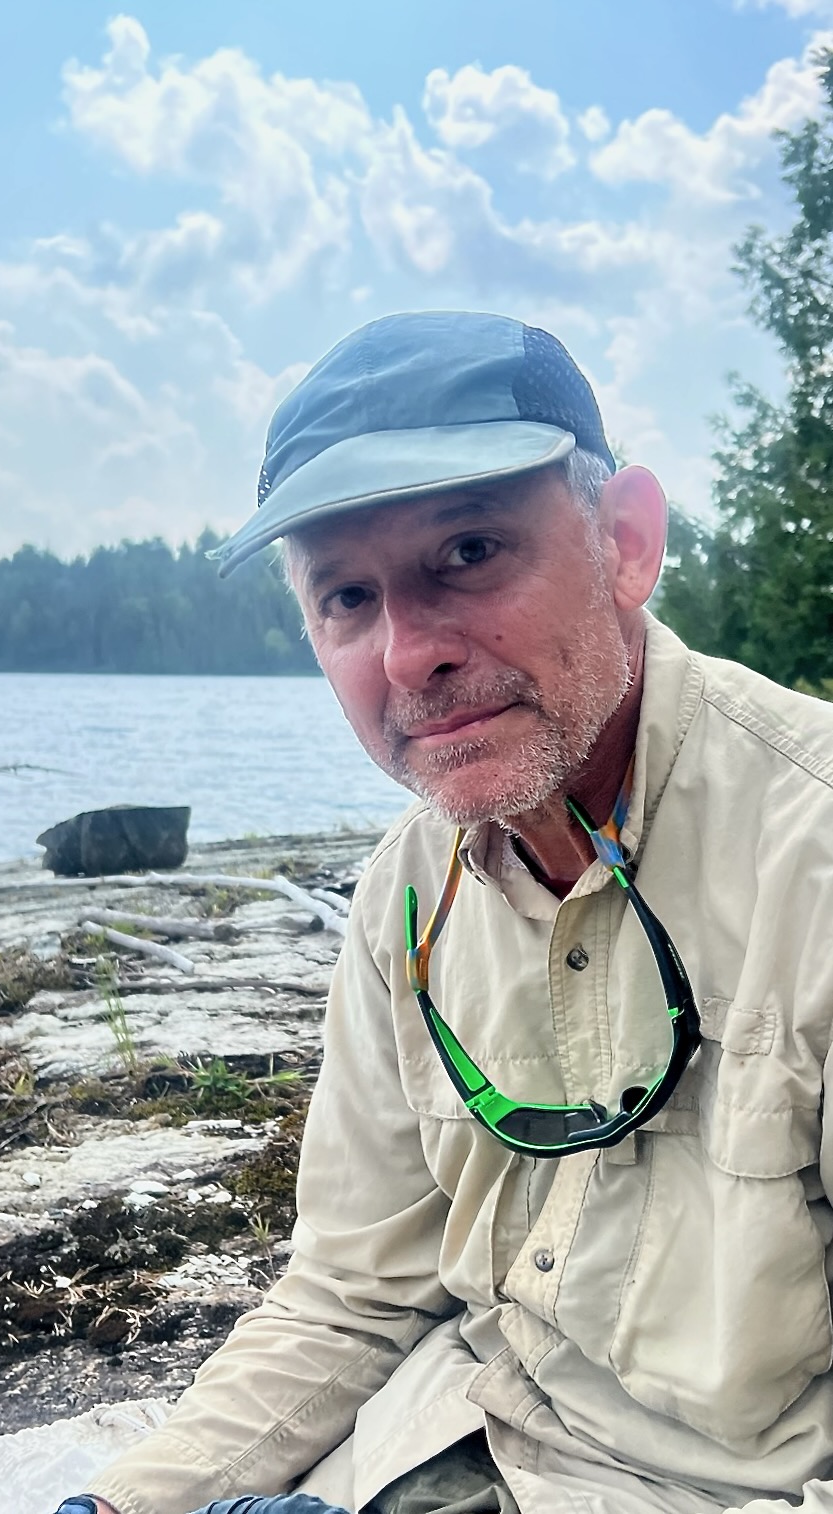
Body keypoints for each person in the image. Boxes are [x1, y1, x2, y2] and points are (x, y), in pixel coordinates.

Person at [51, 312, 833, 1514]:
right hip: (438, 1442)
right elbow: (349, 1292)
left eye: (467, 550)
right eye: (346, 596)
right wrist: (114, 1503)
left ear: (625, 541)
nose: (407, 653)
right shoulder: (403, 897)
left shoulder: (812, 850)